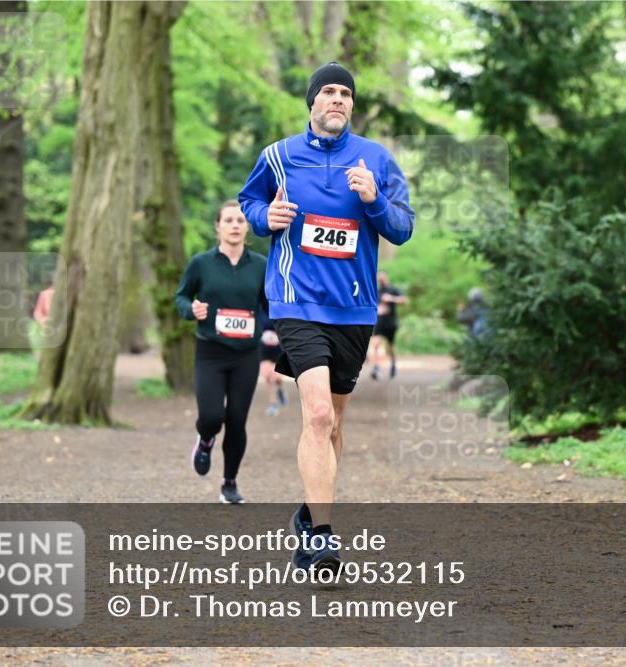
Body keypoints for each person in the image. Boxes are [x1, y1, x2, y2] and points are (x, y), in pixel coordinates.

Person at [238, 61, 415, 571]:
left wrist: (373, 199)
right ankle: (321, 536)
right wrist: (262, 218)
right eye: (328, 92)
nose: (337, 99)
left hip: (355, 308)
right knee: (315, 413)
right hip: (296, 299)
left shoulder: (376, 160)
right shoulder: (278, 156)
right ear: (312, 101)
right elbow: (250, 201)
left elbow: (402, 228)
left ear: (352, 105)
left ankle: (309, 510)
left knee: (335, 422)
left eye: (345, 93)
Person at [175, 201, 268, 504]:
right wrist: (192, 309)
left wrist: (270, 330)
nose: (235, 225)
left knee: (237, 420)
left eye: (240, 220)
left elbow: (270, 306)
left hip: (246, 354)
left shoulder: (260, 265)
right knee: (213, 416)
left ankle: (229, 483)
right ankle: (205, 440)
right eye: (228, 220)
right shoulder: (201, 263)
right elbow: (181, 297)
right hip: (211, 351)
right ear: (217, 226)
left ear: (247, 227)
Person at [369, 271, 408, 380]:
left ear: (386, 277)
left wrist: (391, 299)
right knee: (375, 344)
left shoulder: (393, 289)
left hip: (391, 322)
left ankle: (393, 365)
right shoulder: (377, 291)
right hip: (380, 322)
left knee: (390, 346)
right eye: (379, 278)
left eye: (382, 278)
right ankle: (376, 368)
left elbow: (405, 300)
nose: (381, 280)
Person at [259, 311, 288, 416]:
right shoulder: (259, 307)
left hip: (279, 349)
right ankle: (273, 404)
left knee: (277, 378)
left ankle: (280, 389)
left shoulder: (279, 306)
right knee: (268, 377)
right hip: (264, 349)